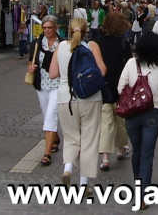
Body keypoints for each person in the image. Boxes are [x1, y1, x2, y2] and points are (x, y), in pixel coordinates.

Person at [49, 18, 107, 189]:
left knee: (71, 137)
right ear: (86, 30)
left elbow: (52, 73)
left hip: (65, 98)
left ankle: (68, 167)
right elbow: (102, 70)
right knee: (89, 139)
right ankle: (84, 183)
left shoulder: (60, 47)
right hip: (90, 97)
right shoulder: (91, 46)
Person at [117, 33, 158, 209]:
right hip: (152, 115)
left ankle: (137, 184)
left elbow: (120, 87)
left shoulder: (131, 64)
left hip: (132, 114)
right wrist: (156, 101)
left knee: (137, 151)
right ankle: (143, 196)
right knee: (147, 154)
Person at [97, 13, 132, 171]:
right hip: (120, 85)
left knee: (106, 123)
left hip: (103, 86)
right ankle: (121, 147)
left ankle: (105, 157)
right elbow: (129, 63)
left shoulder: (99, 41)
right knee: (120, 120)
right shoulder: (123, 42)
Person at [27, 15, 61, 167]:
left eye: (50, 28)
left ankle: (46, 153)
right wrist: (31, 67)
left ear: (55, 28)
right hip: (41, 84)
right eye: (45, 28)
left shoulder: (62, 44)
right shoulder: (37, 43)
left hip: (57, 85)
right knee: (46, 112)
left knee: (51, 115)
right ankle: (55, 138)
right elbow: (31, 61)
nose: (47, 30)